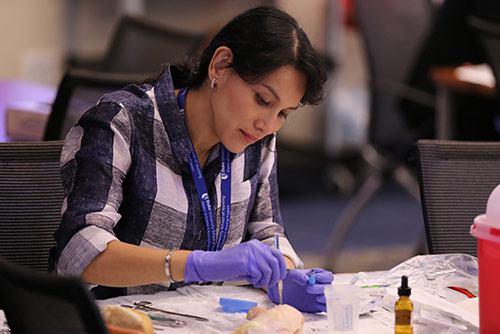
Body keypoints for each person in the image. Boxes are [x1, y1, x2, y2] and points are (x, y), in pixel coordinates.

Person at [51, 6, 333, 313]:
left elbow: (267, 230)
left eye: (283, 113)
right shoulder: (121, 123)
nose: (267, 124)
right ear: (220, 66)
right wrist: (197, 265)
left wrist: (286, 273)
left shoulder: (257, 140)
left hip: (195, 318)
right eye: (262, 100)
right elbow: (79, 252)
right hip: (111, 319)